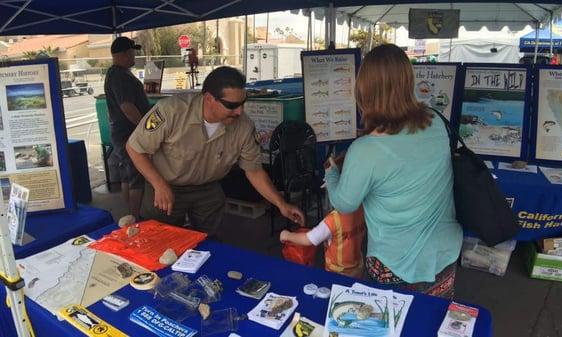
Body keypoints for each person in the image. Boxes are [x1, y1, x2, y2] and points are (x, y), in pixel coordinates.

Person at [324, 44, 463, 299]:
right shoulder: (435, 121)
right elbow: (406, 160)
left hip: (395, 263)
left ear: (364, 90)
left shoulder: (365, 149)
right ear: (407, 81)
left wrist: (332, 173)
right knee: (433, 322)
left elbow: (344, 203)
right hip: (445, 253)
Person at [126, 66, 304, 236]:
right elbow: (135, 148)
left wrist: (281, 204)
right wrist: (159, 184)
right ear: (209, 98)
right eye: (231, 105)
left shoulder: (244, 126)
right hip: (166, 186)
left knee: (207, 243)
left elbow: (254, 170)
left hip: (208, 190)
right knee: (159, 240)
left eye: (243, 103)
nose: (239, 111)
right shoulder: (171, 111)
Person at [280, 156, 366, 278]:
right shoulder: (362, 208)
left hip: (338, 273)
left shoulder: (333, 220)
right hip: (358, 267)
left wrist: (287, 235)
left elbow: (309, 239)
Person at [104, 36, 150, 220]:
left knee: (126, 176)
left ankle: (130, 215)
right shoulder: (119, 76)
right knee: (136, 175)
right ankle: (135, 218)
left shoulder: (116, 73)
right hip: (128, 134)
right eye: (132, 52)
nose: (134, 56)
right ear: (123, 54)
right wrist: (144, 128)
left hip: (121, 133)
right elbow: (126, 106)